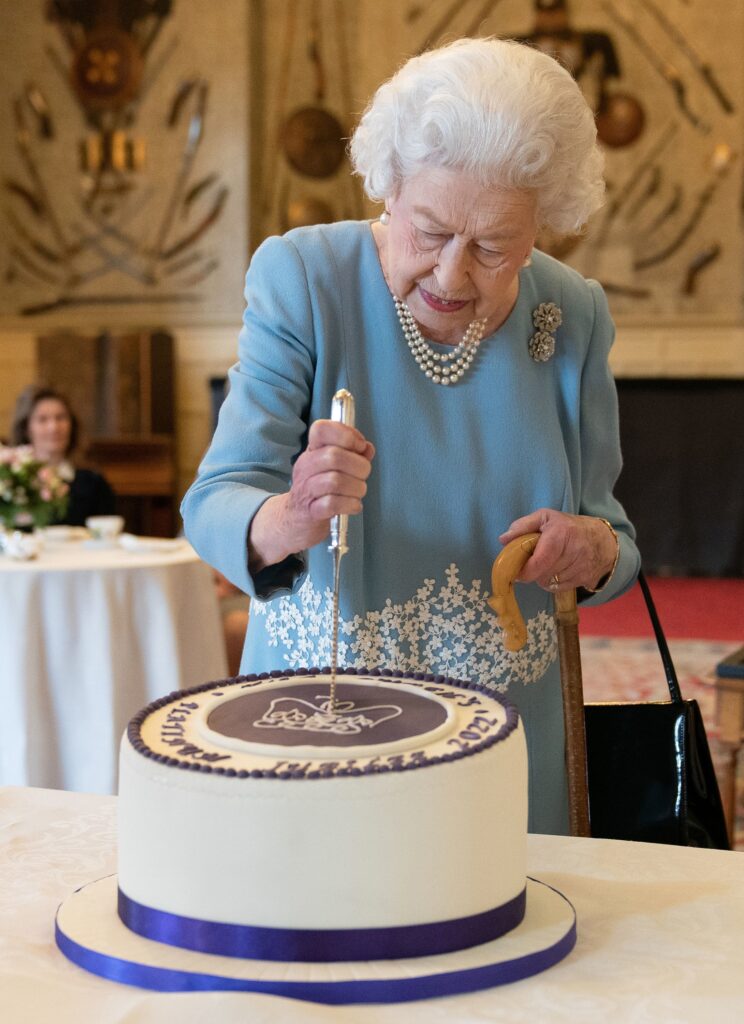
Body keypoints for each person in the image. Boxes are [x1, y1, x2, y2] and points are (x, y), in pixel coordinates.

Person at [181, 37, 641, 835]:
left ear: (545, 227)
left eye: (495, 246)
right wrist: (291, 517)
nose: (453, 275)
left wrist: (592, 549)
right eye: (429, 231)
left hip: (505, 744)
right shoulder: (305, 278)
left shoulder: (573, 312)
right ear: (389, 188)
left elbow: (617, 536)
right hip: (320, 730)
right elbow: (215, 502)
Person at [10, 385, 116, 526]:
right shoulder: (11, 481)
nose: (54, 427)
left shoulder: (93, 483)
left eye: (61, 418)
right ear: (26, 429)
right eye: (43, 419)